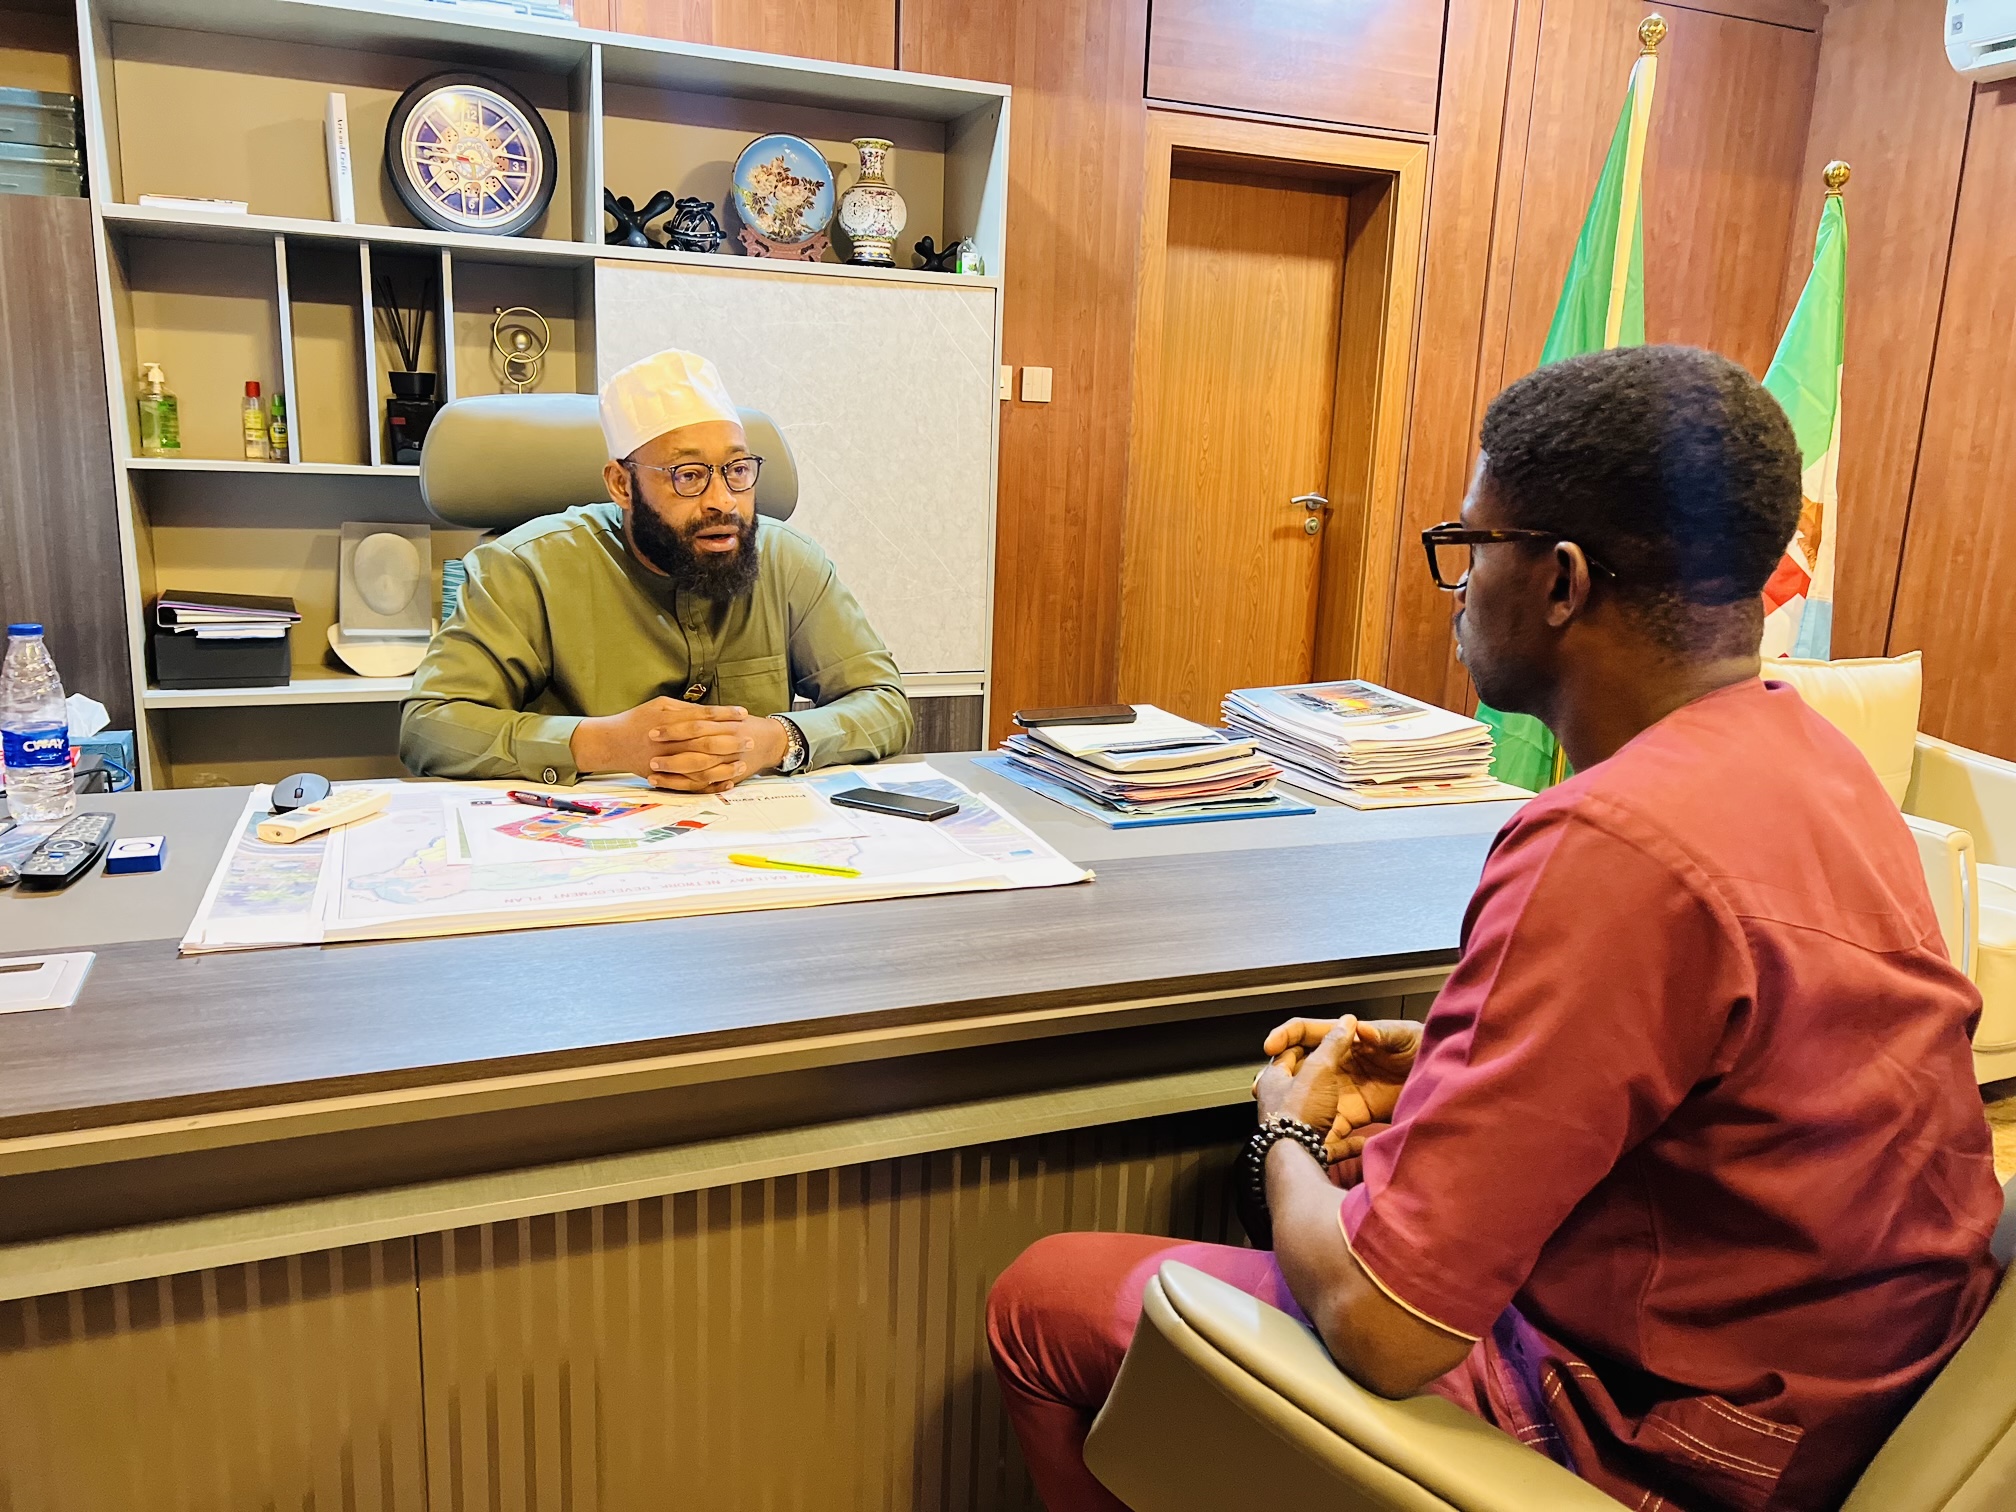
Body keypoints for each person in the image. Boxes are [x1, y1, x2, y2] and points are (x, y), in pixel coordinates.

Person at [987, 345, 2005, 1512]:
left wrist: (1280, 1139)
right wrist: (1445, 1067)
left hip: (1674, 1449)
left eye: (1470, 548)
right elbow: (1764, 1075)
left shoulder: (1611, 840)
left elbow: (1384, 1327)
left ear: (1562, 581)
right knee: (1369, 1155)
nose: (1460, 586)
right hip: (1855, 1404)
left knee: (1048, 1297)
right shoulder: (1816, 762)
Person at [401, 348, 911, 788]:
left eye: (737, 470)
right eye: (688, 475)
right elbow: (429, 728)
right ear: (622, 485)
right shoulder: (522, 569)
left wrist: (779, 738)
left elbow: (884, 703)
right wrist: (603, 745)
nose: (723, 502)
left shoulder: (788, 559)